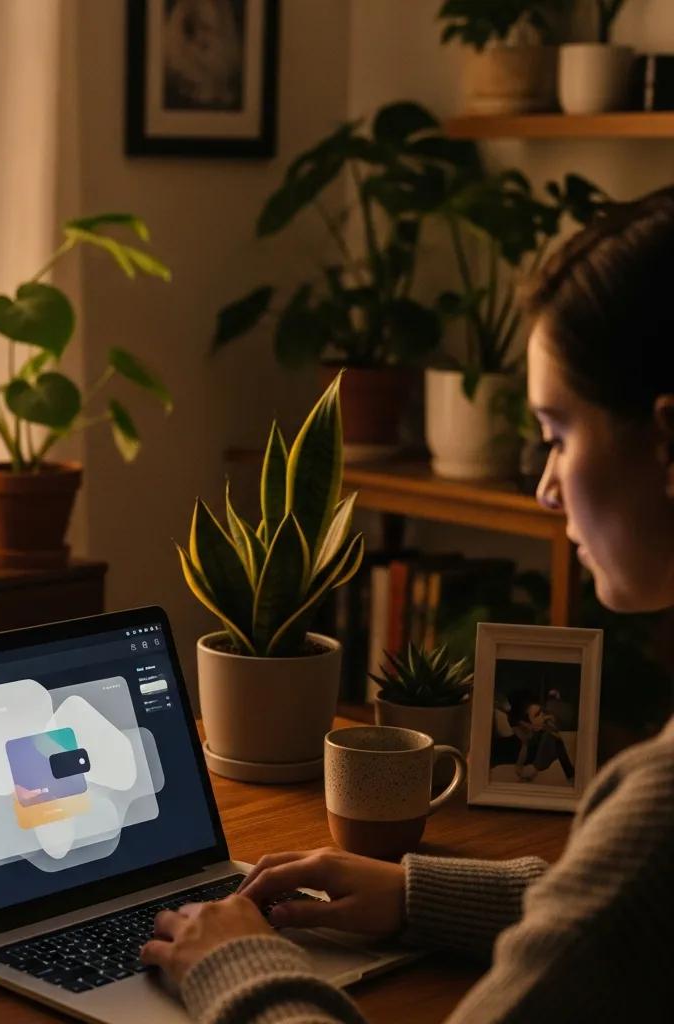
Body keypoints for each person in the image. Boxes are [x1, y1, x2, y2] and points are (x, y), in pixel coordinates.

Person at [141, 189, 674, 1021]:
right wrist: (419, 895)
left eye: (559, 435)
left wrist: (236, 963)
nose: (543, 488)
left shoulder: (662, 803)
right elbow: (636, 916)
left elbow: (644, 879)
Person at [508, 693, 576, 783]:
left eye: (542, 711)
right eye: (537, 715)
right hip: (529, 764)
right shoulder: (525, 737)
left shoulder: (546, 732)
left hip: (539, 763)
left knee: (553, 736)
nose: (543, 716)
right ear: (526, 724)